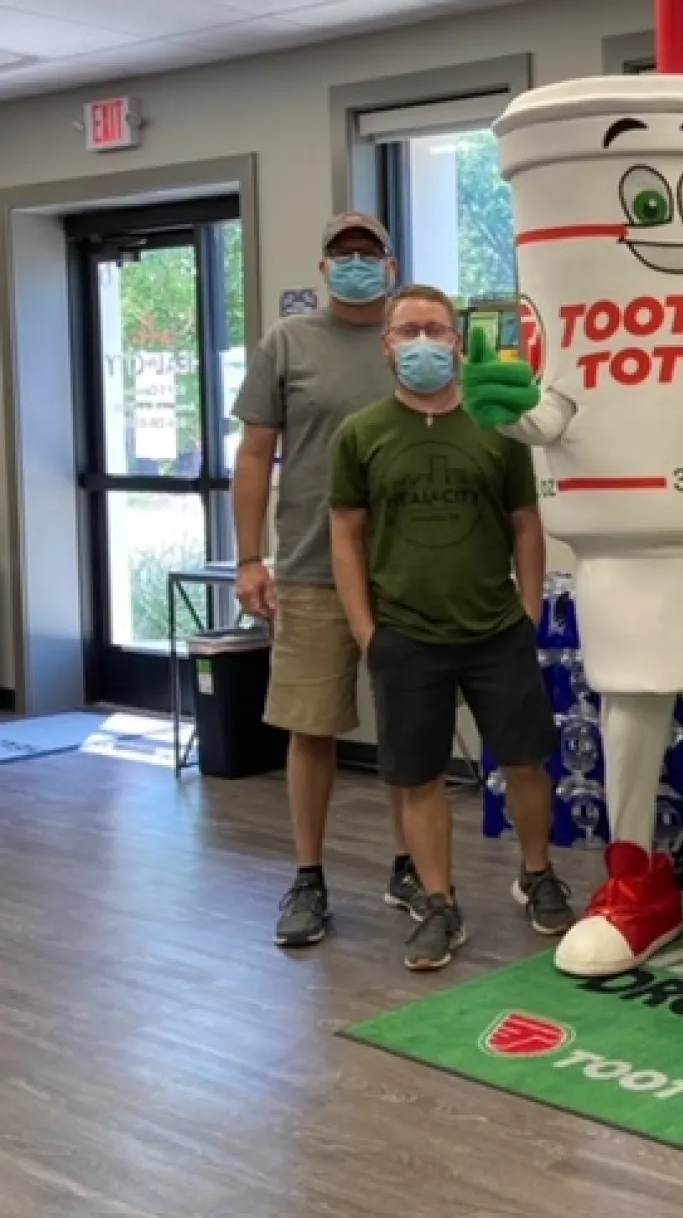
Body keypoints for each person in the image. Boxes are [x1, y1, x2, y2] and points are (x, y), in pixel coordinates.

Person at [328, 285, 573, 972]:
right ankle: (439, 901)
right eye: (408, 331)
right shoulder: (362, 434)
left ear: (459, 342)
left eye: (436, 329)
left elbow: (527, 524)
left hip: (496, 627)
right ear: (387, 346)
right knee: (419, 776)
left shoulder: (497, 426)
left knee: (526, 759)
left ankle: (537, 872)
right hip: (405, 634)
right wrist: (365, 628)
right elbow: (346, 534)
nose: (424, 342)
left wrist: (527, 614)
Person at [232, 212, 429, 948]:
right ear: (323, 268)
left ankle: (410, 866)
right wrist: (251, 557)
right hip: (313, 567)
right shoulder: (288, 344)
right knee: (310, 729)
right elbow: (255, 456)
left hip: (408, 571)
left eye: (367, 252)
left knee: (410, 733)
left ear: (389, 262)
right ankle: (308, 879)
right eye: (341, 253)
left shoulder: (413, 345)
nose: (355, 262)